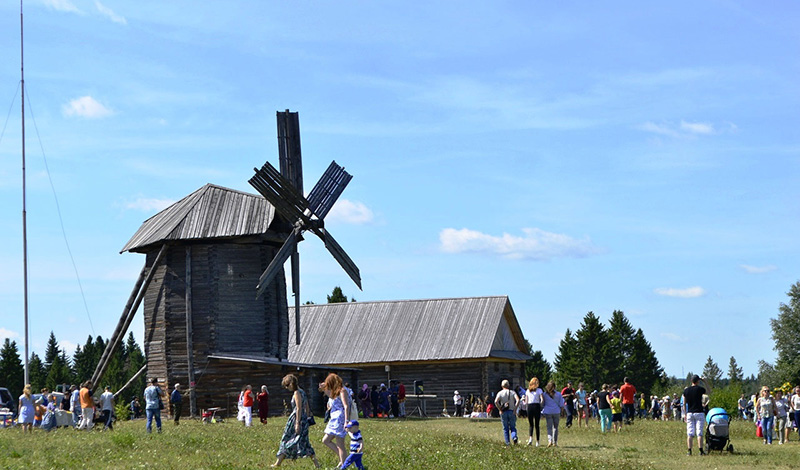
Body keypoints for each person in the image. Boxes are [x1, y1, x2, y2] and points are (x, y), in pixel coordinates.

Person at [272, 374, 320, 468]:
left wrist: (297, 423)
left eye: (287, 385)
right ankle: (317, 464)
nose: (287, 387)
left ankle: (277, 464)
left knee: (286, 439)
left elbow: (298, 408)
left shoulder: (297, 393)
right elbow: (306, 406)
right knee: (304, 442)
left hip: (296, 419)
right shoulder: (302, 391)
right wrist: (308, 416)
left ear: (291, 383)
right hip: (304, 419)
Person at [321, 373, 351, 468]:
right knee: (326, 440)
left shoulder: (342, 391)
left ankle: (344, 464)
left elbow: (346, 406)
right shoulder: (334, 392)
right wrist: (324, 389)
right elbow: (330, 397)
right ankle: (344, 459)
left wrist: (346, 421)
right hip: (334, 419)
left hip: (340, 419)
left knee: (340, 444)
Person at [682, 375, 711, 455]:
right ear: (698, 381)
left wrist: (685, 414)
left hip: (690, 412)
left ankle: (689, 450)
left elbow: (684, 403)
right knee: (699, 432)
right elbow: (709, 392)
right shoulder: (700, 389)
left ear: (691, 381)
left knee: (690, 433)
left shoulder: (686, 391)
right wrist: (705, 381)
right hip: (699, 412)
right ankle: (701, 450)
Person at [494, 380, 519, 445]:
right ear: (508, 385)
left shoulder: (500, 393)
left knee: (505, 428)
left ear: (502, 386)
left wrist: (500, 409)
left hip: (504, 412)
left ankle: (507, 443)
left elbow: (496, 401)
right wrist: (515, 409)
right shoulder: (512, 392)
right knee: (513, 427)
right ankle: (514, 437)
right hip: (511, 411)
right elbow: (518, 400)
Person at [542, 381, 565, 447]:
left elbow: (543, 403)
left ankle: (550, 441)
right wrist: (562, 412)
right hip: (556, 411)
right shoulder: (558, 394)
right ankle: (555, 442)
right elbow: (561, 404)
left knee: (549, 427)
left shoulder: (545, 394)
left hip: (548, 411)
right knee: (555, 427)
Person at [524, 377, 544, 446]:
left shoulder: (533, 390)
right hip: (534, 406)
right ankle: (534, 440)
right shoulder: (535, 390)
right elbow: (541, 399)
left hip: (532, 406)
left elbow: (526, 401)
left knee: (534, 424)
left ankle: (534, 440)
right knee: (534, 424)